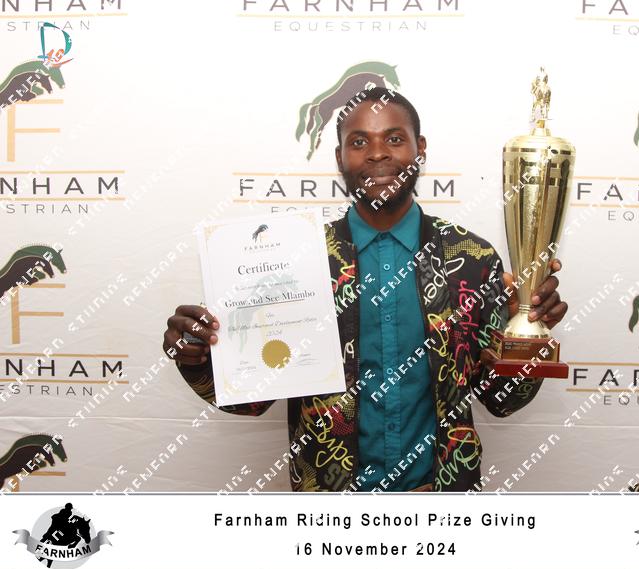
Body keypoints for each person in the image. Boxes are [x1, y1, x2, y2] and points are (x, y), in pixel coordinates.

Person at [163, 87, 569, 492]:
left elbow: (502, 400)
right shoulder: (296, 261)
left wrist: (528, 335)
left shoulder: (471, 259)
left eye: (394, 138)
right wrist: (197, 357)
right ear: (340, 157)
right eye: (359, 142)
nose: (377, 154)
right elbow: (253, 400)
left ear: (420, 149)